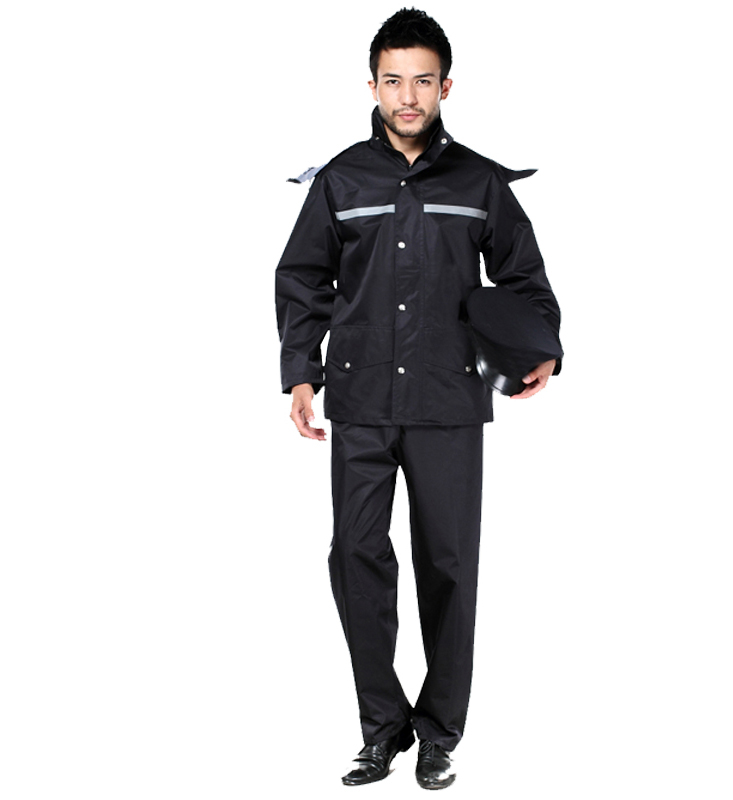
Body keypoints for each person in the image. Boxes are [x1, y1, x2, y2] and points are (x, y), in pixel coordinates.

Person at [275, 8, 562, 790]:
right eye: (394, 80)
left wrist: (542, 348)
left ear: (446, 87)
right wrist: (301, 371)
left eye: (423, 81)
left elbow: (525, 279)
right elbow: (302, 276)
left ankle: (439, 733)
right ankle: (381, 730)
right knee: (355, 559)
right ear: (372, 85)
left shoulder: (478, 182)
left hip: (449, 403)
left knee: (449, 568)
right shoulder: (340, 180)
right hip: (361, 400)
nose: (408, 96)